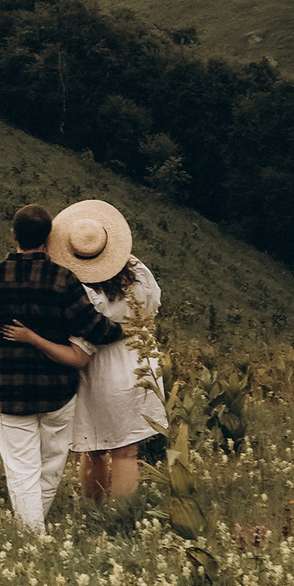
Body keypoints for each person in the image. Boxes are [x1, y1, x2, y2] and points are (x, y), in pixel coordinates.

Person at [0, 200, 107, 531]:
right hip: (58, 389)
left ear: (13, 234)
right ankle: (33, 530)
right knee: (51, 465)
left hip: (8, 389)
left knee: (21, 467)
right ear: (49, 236)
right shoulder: (64, 279)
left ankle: (32, 536)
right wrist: (128, 329)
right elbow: (93, 327)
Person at [52, 199, 165, 510]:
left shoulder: (85, 292)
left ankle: (96, 511)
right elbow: (154, 305)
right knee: (127, 451)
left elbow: (79, 333)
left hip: (100, 368)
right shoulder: (139, 272)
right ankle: (120, 517)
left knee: (93, 446)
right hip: (140, 361)